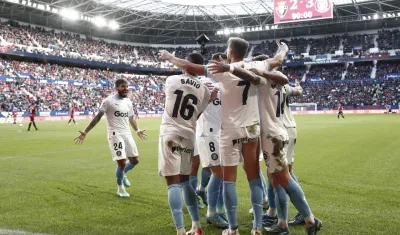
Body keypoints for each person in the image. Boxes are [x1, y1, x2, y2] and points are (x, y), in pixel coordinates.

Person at [159, 37, 271, 235]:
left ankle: (219, 219)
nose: (219, 63)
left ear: (229, 54)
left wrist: (169, 57)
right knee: (222, 174)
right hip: (208, 133)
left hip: (219, 132)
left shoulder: (217, 78)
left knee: (219, 176)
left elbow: (191, 73)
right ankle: (216, 212)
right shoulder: (209, 82)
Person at [230, 49, 322, 234]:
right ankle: (282, 223)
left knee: (283, 179)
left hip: (272, 135)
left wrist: (230, 65)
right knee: (277, 179)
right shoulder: (277, 80)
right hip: (279, 131)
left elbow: (246, 72)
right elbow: (285, 79)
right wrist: (283, 51)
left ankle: (309, 219)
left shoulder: (262, 80)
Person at [158, 53, 217, 235]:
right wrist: (209, 98)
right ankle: (196, 226)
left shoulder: (172, 80)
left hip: (170, 132)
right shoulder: (205, 90)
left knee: (172, 183)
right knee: (185, 182)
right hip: (189, 135)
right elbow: (197, 115)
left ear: (187, 65)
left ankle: (180, 230)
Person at [74, 78, 147, 197]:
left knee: (135, 161)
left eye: (127, 86)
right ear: (116, 88)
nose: (126, 89)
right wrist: (85, 131)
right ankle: (120, 188)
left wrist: (137, 130)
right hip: (115, 134)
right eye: (123, 86)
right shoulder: (108, 101)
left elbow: (131, 118)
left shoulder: (128, 101)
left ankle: (123, 174)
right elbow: (97, 117)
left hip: (127, 133)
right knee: (122, 163)